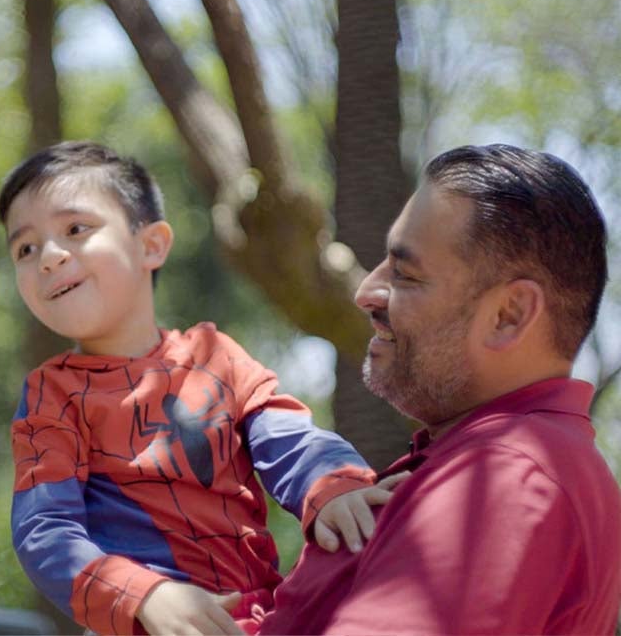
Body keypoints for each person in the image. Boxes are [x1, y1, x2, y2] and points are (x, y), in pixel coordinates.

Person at [0, 141, 401, 636]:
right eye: (25, 248)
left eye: (75, 229)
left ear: (151, 244)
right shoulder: (51, 396)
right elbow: (46, 530)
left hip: (262, 618)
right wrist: (141, 594)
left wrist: (335, 487)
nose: (49, 257)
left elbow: (288, 437)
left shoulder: (216, 356)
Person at [259, 144, 621, 635]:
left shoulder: (506, 475)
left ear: (508, 315)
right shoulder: (512, 460)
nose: (366, 292)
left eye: (405, 275)